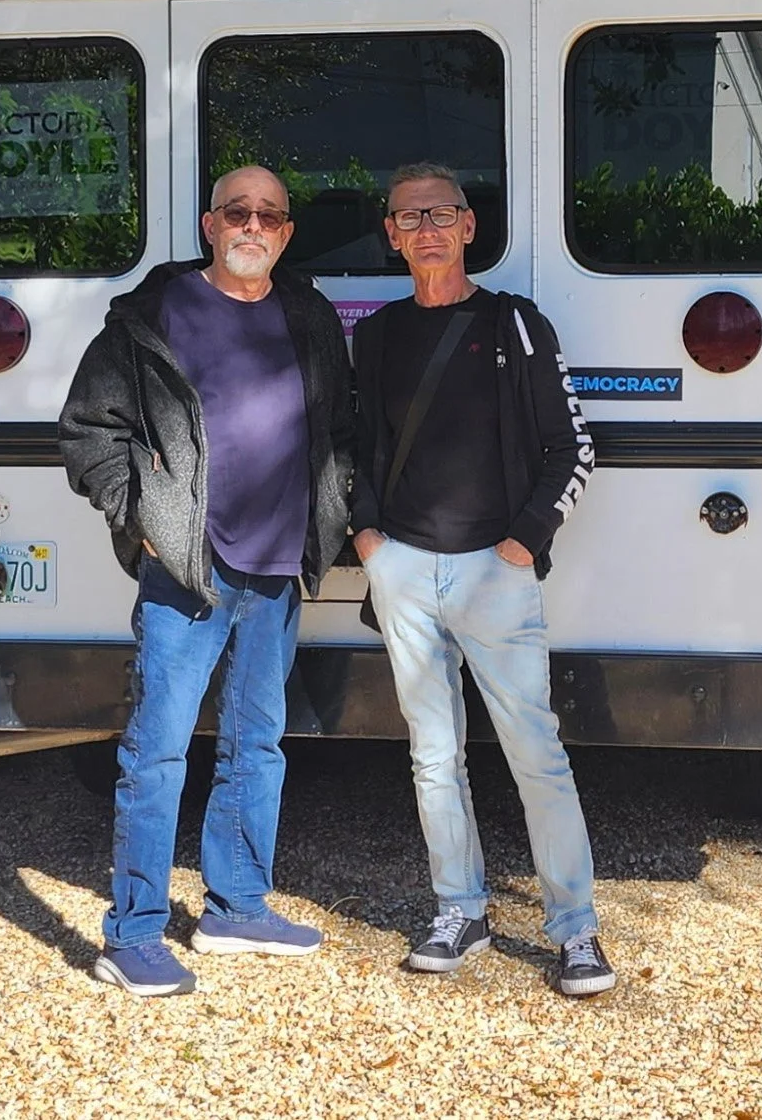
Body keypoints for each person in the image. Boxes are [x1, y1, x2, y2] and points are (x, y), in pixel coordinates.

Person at [59, 165, 352, 997]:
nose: (253, 224)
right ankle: (135, 932)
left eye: (269, 214)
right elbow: (87, 429)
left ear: (286, 233)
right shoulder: (152, 315)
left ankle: (235, 906)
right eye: (237, 211)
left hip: (277, 569)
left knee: (256, 745)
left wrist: (331, 513)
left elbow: (340, 425)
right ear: (210, 223)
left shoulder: (309, 314)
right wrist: (142, 519)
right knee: (156, 752)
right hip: (187, 570)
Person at [350, 161, 613, 998]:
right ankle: (458, 912)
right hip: (403, 569)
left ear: (469, 227)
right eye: (408, 217)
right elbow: (351, 448)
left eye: (441, 214)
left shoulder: (515, 324)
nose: (425, 229)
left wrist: (522, 542)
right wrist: (367, 542)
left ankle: (576, 933)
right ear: (390, 236)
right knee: (434, 757)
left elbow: (573, 446)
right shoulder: (380, 334)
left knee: (537, 754)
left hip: (496, 574)